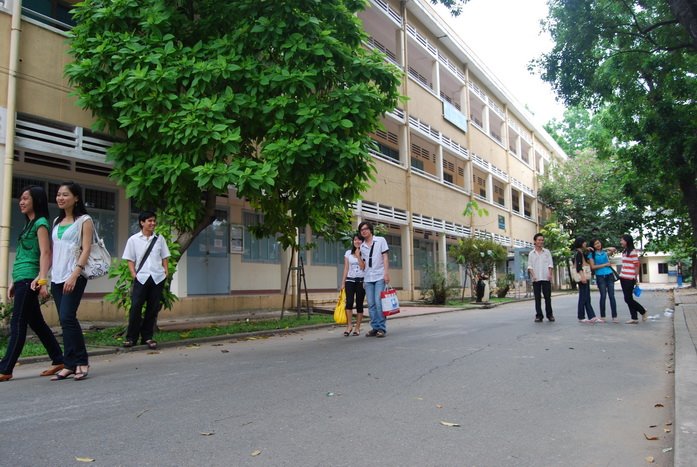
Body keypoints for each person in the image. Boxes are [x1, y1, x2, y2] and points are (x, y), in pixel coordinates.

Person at [0, 186, 64, 382]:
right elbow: (22, 254)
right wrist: (13, 281)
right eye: (20, 198)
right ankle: (58, 359)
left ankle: (6, 368)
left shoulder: (41, 223)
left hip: (30, 279)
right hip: (21, 278)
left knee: (17, 323)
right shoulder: (28, 224)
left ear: (35, 201)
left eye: (25, 198)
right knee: (36, 323)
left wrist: (42, 279)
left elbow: (46, 253)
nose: (21, 202)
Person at [50, 182, 92, 381]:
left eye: (65, 194)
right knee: (65, 321)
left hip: (74, 275)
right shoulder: (56, 222)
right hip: (56, 277)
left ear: (76, 198)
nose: (60, 198)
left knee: (67, 317)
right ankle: (69, 364)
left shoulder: (84, 220)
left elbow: (86, 249)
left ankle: (81, 361)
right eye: (58, 194)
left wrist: (75, 274)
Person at [122, 211, 171, 349]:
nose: (153, 223)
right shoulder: (133, 240)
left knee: (152, 308)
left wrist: (165, 271)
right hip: (141, 277)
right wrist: (133, 273)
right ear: (142, 222)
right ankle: (131, 338)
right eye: (149, 221)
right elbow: (130, 259)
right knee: (136, 308)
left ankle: (147, 337)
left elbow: (164, 256)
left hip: (157, 277)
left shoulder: (159, 239)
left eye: (154, 221)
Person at [358, 221, 390, 338]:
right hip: (368, 278)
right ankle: (375, 327)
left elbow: (385, 257)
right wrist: (357, 255)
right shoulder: (362, 246)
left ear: (370, 230)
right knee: (371, 304)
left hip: (380, 276)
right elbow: (362, 266)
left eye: (365, 229)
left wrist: (386, 273)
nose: (364, 231)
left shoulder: (381, 240)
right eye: (361, 230)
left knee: (378, 302)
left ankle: (381, 328)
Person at [340, 233, 366, 336]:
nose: (357, 241)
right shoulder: (348, 253)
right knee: (349, 303)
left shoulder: (365, 253)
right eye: (355, 240)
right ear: (353, 241)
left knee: (359, 304)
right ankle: (349, 325)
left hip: (361, 281)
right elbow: (346, 268)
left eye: (359, 240)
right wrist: (343, 282)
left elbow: (363, 267)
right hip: (349, 281)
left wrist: (359, 255)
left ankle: (357, 327)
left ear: (362, 242)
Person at [618, 234, 647, 324]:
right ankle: (634, 318)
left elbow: (636, 265)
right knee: (628, 298)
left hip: (630, 278)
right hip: (623, 276)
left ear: (627, 241)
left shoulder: (633, 252)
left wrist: (635, 277)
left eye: (622, 240)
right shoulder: (624, 251)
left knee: (628, 299)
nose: (621, 242)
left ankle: (643, 311)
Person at [573, 237, 602, 323]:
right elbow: (578, 267)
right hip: (583, 277)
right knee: (583, 297)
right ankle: (581, 316)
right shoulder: (578, 253)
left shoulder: (581, 252)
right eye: (584, 242)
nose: (585, 244)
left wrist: (587, 249)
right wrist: (582, 277)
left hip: (584, 277)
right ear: (580, 243)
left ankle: (591, 316)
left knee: (586, 297)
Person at [588, 239, 618, 323]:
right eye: (595, 244)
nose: (598, 244)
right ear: (593, 246)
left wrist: (604, 248)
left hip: (609, 275)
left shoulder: (604, 253)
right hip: (600, 276)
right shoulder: (591, 255)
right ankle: (603, 316)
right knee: (603, 296)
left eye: (598, 243)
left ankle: (614, 316)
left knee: (612, 296)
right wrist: (605, 264)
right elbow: (593, 267)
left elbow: (613, 249)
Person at [527, 233, 555, 322]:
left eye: (542, 240)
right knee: (537, 298)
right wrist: (534, 276)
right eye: (539, 240)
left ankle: (550, 315)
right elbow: (530, 266)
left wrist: (550, 274)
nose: (541, 241)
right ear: (535, 241)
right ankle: (539, 315)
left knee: (547, 297)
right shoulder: (531, 253)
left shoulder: (547, 252)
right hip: (536, 279)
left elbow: (550, 264)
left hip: (546, 278)